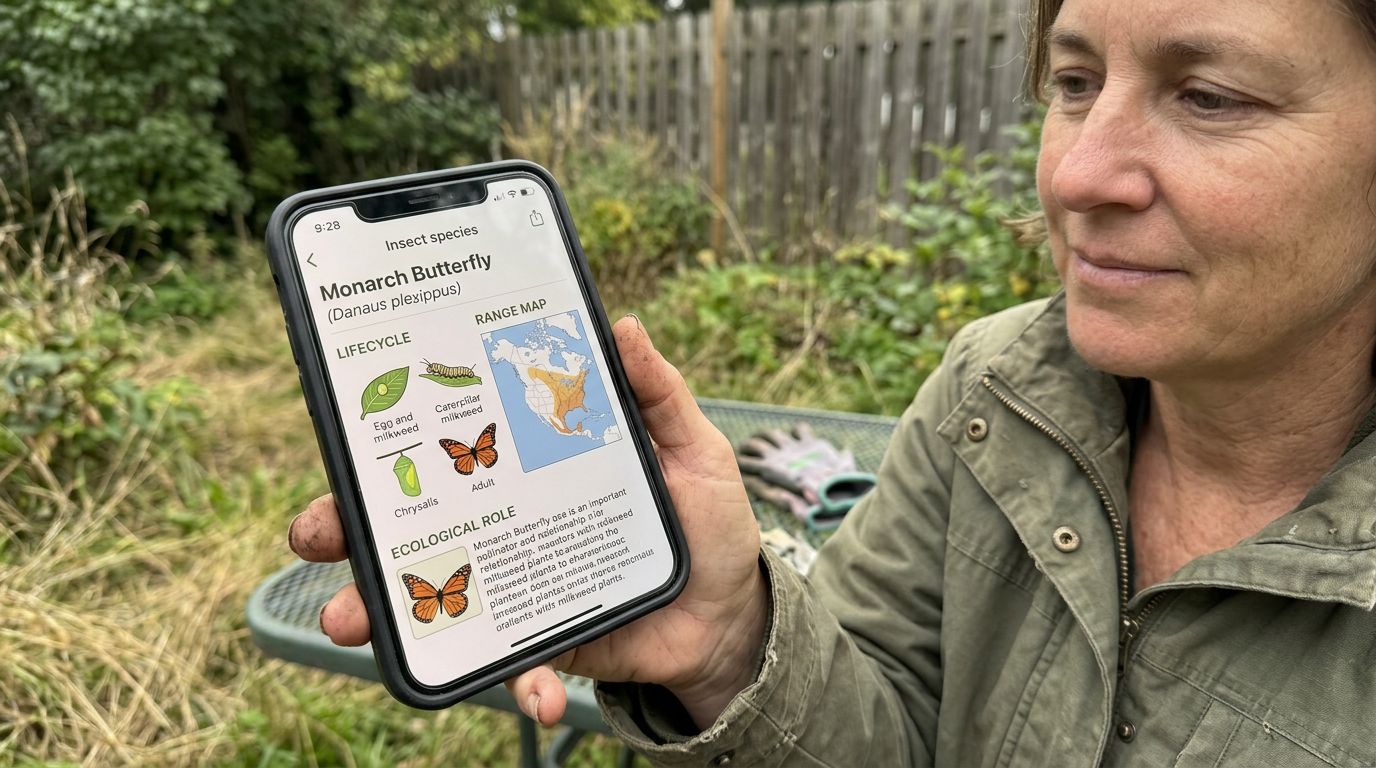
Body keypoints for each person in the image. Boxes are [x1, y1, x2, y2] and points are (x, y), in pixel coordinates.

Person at [286, 0, 1376, 763]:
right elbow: (884, 725)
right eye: (1075, 82)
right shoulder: (993, 395)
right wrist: (731, 649)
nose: (1076, 171)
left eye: (1211, 96)